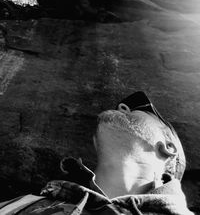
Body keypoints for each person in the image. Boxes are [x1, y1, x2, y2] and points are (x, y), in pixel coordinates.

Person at [0, 91, 193, 214]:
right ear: (95, 142)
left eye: (142, 112)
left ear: (169, 147)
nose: (122, 107)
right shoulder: (16, 206)